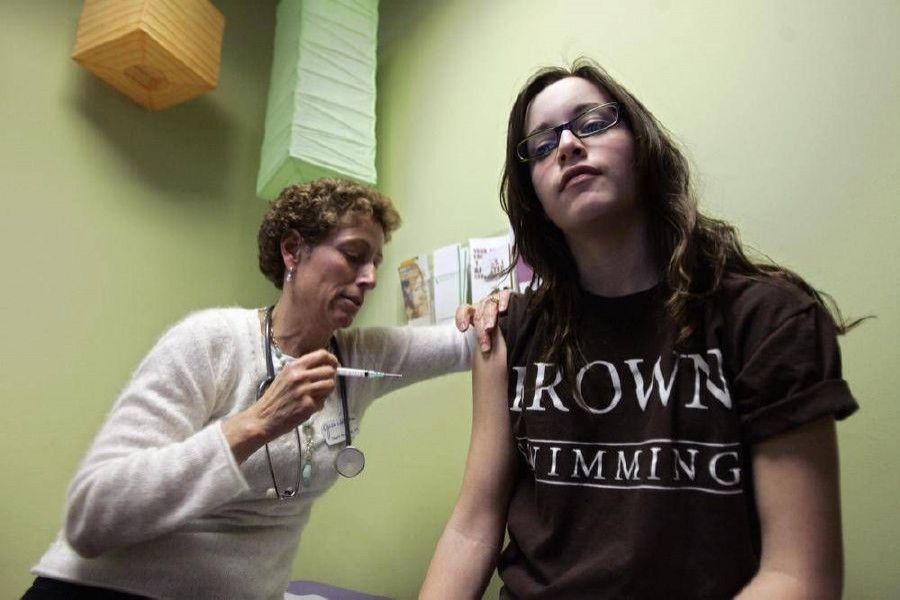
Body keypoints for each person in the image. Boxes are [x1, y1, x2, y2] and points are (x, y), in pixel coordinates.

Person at [423, 59, 860, 599]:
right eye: (541, 144)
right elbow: (472, 527)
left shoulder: (768, 320)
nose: (566, 146)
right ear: (532, 193)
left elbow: (797, 576)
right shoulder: (509, 331)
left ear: (642, 143)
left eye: (592, 122)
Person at [25, 178, 474, 600]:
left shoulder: (362, 357)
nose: (371, 277)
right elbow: (91, 517)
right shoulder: (209, 342)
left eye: (376, 261)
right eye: (355, 255)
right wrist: (255, 423)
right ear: (293, 250)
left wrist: (500, 306)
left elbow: (470, 344)